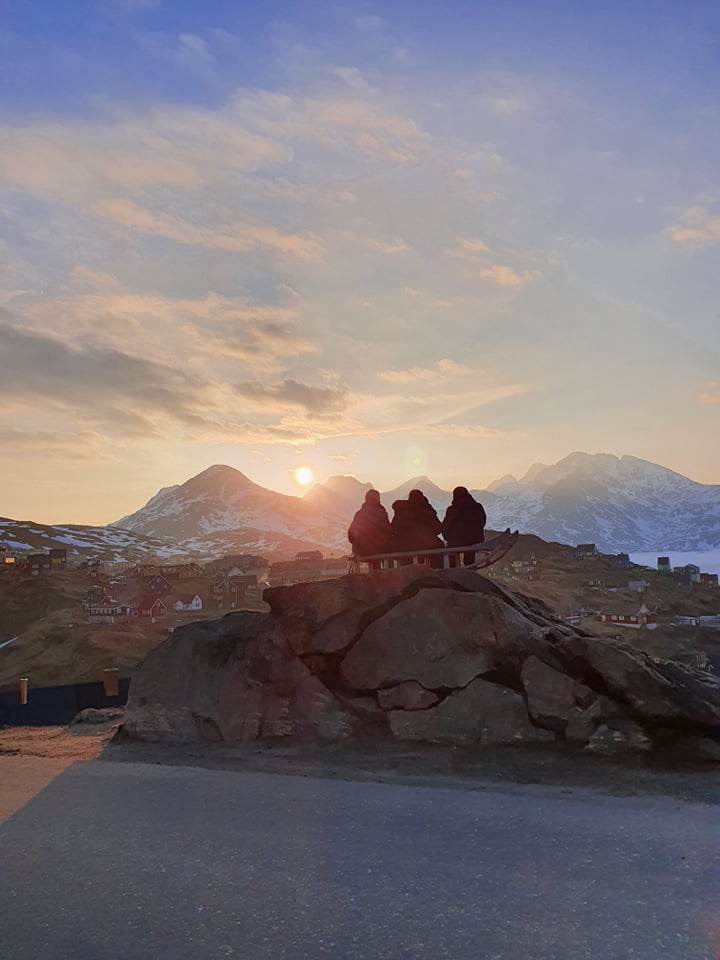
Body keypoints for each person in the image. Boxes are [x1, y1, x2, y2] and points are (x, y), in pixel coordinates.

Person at [390, 489, 444, 568]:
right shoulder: (426, 511)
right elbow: (438, 528)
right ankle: (437, 573)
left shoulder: (401, 511)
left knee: (408, 571)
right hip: (426, 545)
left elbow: (393, 528)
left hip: (404, 547)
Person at [442, 485, 487, 567]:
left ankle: (453, 569)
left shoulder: (452, 509)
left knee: (451, 554)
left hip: (456, 542)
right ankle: (470, 569)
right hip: (476, 541)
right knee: (470, 555)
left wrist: (448, 538)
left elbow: (445, 526)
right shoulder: (478, 507)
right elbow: (483, 522)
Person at [347, 490, 390, 569]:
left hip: (360, 551)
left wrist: (358, 543)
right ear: (377, 499)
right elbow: (388, 531)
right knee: (387, 552)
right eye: (379, 498)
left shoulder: (359, 514)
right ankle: (388, 574)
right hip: (377, 550)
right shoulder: (381, 512)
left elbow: (350, 535)